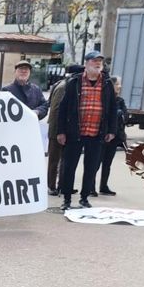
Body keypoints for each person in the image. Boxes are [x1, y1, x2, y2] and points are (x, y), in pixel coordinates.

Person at [56, 51, 116, 210]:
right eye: (94, 61)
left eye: (100, 62)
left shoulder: (107, 83)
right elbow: (63, 108)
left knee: (91, 168)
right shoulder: (74, 82)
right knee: (69, 167)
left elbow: (112, 108)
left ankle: (84, 198)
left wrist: (111, 130)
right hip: (75, 132)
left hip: (96, 133)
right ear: (87, 63)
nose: (97, 64)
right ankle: (67, 199)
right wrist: (61, 131)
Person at [46, 64, 83, 194]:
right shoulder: (63, 87)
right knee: (54, 160)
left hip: (64, 129)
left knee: (65, 160)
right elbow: (56, 110)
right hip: (57, 129)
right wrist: (59, 131)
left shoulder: (68, 85)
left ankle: (63, 185)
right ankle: (51, 186)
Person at [98, 75, 127, 197]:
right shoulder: (103, 98)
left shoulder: (120, 100)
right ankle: (90, 187)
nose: (119, 86)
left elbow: (125, 115)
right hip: (102, 135)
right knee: (96, 163)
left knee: (107, 163)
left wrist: (121, 113)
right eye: (117, 84)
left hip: (115, 136)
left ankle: (103, 186)